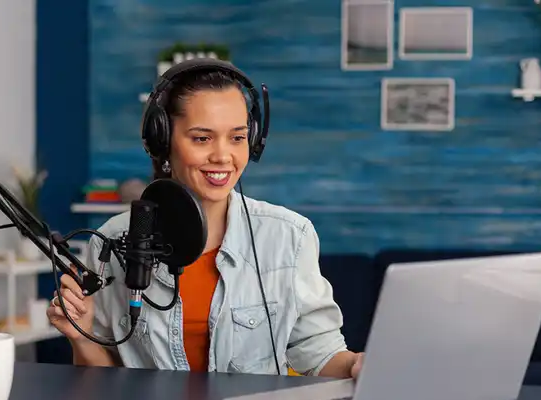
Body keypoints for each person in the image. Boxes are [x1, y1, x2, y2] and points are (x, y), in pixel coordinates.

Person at [47, 61, 364, 378]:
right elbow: (105, 381)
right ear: (163, 142)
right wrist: (80, 336)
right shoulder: (112, 239)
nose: (223, 156)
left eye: (237, 137)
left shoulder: (289, 236)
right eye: (202, 138)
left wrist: (355, 365)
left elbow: (320, 354)